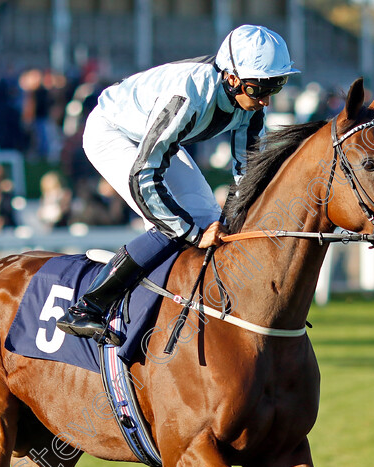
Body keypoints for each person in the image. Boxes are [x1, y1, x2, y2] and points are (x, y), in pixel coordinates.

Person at [56, 24, 300, 343]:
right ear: (231, 77)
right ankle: (89, 307)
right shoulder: (189, 94)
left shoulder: (249, 107)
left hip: (155, 137)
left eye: (276, 86)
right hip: (111, 132)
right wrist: (194, 234)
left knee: (211, 217)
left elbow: (249, 174)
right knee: (172, 225)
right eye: (259, 88)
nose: (266, 100)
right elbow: (143, 175)